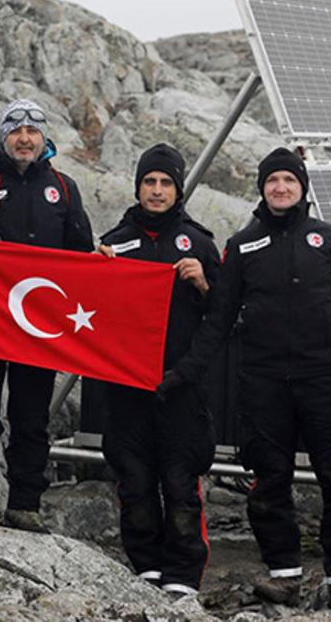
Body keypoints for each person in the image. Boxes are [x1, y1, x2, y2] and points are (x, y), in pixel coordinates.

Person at [159, 147, 331, 615]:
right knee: (269, 480)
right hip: (263, 383)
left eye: (289, 180)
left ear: (302, 187)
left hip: (324, 380)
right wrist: (185, 372)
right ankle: (284, 575)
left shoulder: (329, 239)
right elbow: (218, 319)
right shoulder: (242, 245)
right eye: (272, 180)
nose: (280, 188)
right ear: (262, 189)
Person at [0, 98, 94, 532]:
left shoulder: (64, 188)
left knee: (32, 418)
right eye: (16, 131)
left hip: (39, 325)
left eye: (32, 131)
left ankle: (24, 504)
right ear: (3, 137)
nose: (25, 138)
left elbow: (82, 256)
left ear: (43, 138)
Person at [96, 143, 220, 598]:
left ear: (178, 190)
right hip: (126, 386)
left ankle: (184, 574)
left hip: (181, 388)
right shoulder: (113, 243)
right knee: (134, 480)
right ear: (137, 187)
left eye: (166, 182)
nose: (156, 190)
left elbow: (225, 317)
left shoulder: (199, 244)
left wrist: (204, 283)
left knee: (181, 483)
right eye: (149, 181)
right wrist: (96, 272)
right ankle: (146, 566)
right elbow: (90, 313)